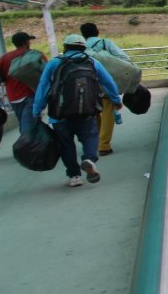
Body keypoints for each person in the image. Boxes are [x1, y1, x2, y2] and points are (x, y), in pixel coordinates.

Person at [32, 34, 122, 187]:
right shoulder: (92, 62)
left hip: (60, 115)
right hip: (87, 111)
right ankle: (89, 159)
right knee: (90, 137)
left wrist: (36, 111)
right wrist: (116, 100)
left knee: (66, 145)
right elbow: (109, 82)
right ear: (83, 48)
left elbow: (43, 88)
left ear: (65, 47)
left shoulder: (54, 63)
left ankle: (74, 176)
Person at [81, 22, 130, 156]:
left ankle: (97, 142)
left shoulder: (81, 47)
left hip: (87, 86)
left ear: (82, 34)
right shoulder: (105, 43)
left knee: (94, 113)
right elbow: (124, 58)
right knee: (108, 113)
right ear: (97, 31)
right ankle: (104, 146)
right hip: (105, 84)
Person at [0, 31, 46, 139]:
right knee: (28, 124)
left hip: (13, 97)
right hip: (31, 94)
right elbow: (46, 73)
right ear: (26, 42)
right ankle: (28, 147)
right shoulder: (36, 55)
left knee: (24, 121)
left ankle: (33, 145)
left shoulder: (4, 58)